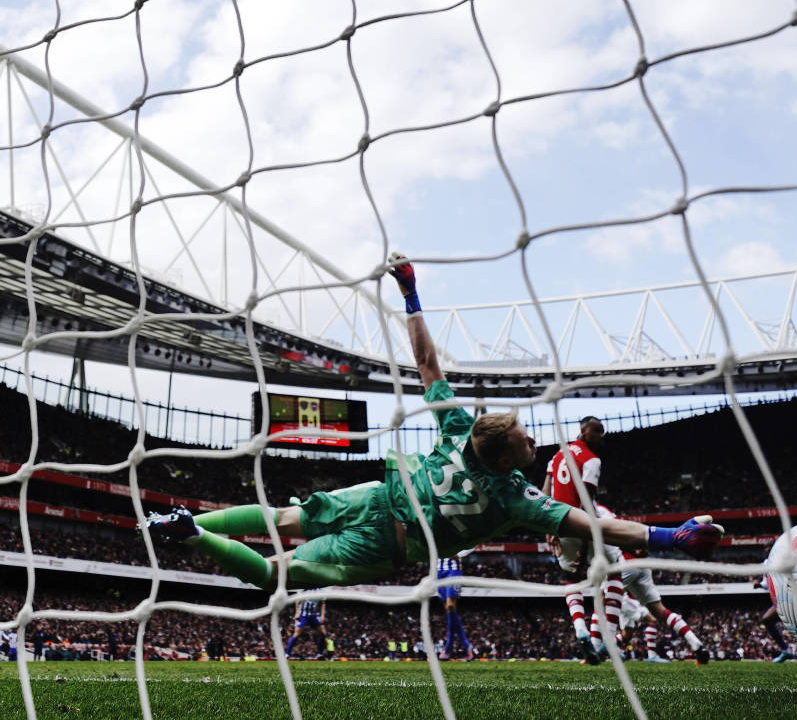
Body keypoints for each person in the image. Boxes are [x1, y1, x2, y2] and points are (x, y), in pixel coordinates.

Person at [143, 252, 724, 591]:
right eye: (525, 440)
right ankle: (191, 533)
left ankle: (183, 519)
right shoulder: (514, 498)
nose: (534, 442)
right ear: (503, 459)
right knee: (275, 575)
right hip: (382, 541)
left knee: (280, 517)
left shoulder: (456, 428)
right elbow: (597, 526)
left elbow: (424, 361)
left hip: (374, 495)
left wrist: (412, 294)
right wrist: (672, 537)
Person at [541, 416, 624, 664]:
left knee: (570, 578)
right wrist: (588, 540)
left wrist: (547, 525)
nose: (602, 436)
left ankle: (580, 629)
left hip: (559, 523)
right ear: (584, 431)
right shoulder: (592, 460)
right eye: (597, 431)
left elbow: (545, 491)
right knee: (616, 571)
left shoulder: (557, 455)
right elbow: (587, 501)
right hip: (584, 524)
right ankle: (607, 640)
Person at [596, 505, 708, 664]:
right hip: (642, 566)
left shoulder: (594, 513)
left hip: (625, 563)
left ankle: (596, 649)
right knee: (660, 611)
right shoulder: (608, 514)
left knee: (601, 596)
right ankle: (697, 645)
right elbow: (642, 549)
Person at [436, 550, 474, 660]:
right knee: (449, 610)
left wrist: (460, 554)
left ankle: (458, 646)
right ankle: (461, 647)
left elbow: (474, 543)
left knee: (450, 605)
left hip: (453, 571)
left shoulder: (454, 535)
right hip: (438, 572)